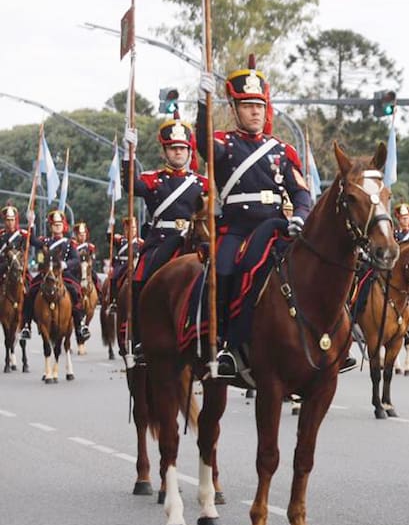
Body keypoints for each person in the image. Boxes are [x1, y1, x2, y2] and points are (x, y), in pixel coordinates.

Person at [197, 57, 326, 378]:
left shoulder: (282, 150)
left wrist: (301, 214)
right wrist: (202, 106)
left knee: (318, 265)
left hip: (277, 226)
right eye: (247, 105)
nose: (255, 111)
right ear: (234, 109)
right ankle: (226, 342)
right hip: (237, 228)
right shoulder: (224, 144)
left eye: (259, 105)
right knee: (224, 268)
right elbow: (202, 145)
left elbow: (300, 191)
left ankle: (332, 338)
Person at [121, 111, 210, 363]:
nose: (178, 153)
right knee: (141, 278)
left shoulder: (202, 183)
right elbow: (131, 186)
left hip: (195, 239)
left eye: (182, 148)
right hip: (162, 239)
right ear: (164, 152)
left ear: (190, 151)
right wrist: (129, 155)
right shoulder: (153, 180)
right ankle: (140, 338)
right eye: (172, 149)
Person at [20, 209, 90, 344]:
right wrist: (32, 223)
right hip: (46, 275)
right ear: (51, 226)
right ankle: (27, 325)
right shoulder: (45, 241)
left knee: (75, 293)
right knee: (31, 293)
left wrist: (66, 264)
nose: (57, 226)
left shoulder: (69, 243)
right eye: (54, 224)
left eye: (59, 224)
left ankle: (79, 325)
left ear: (63, 225)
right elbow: (32, 240)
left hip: (63, 274)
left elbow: (76, 260)